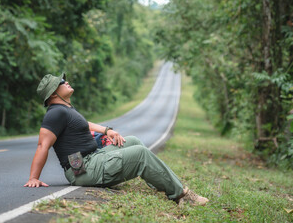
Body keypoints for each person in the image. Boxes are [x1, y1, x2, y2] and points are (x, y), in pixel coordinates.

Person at [24, 73, 209, 206]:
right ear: (54, 93)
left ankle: (160, 182)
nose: (67, 82)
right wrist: (34, 177)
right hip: (81, 169)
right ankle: (181, 195)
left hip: (91, 159)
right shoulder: (54, 114)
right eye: (62, 82)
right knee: (140, 154)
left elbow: (83, 124)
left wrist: (106, 130)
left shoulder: (65, 110)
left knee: (133, 141)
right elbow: (43, 145)